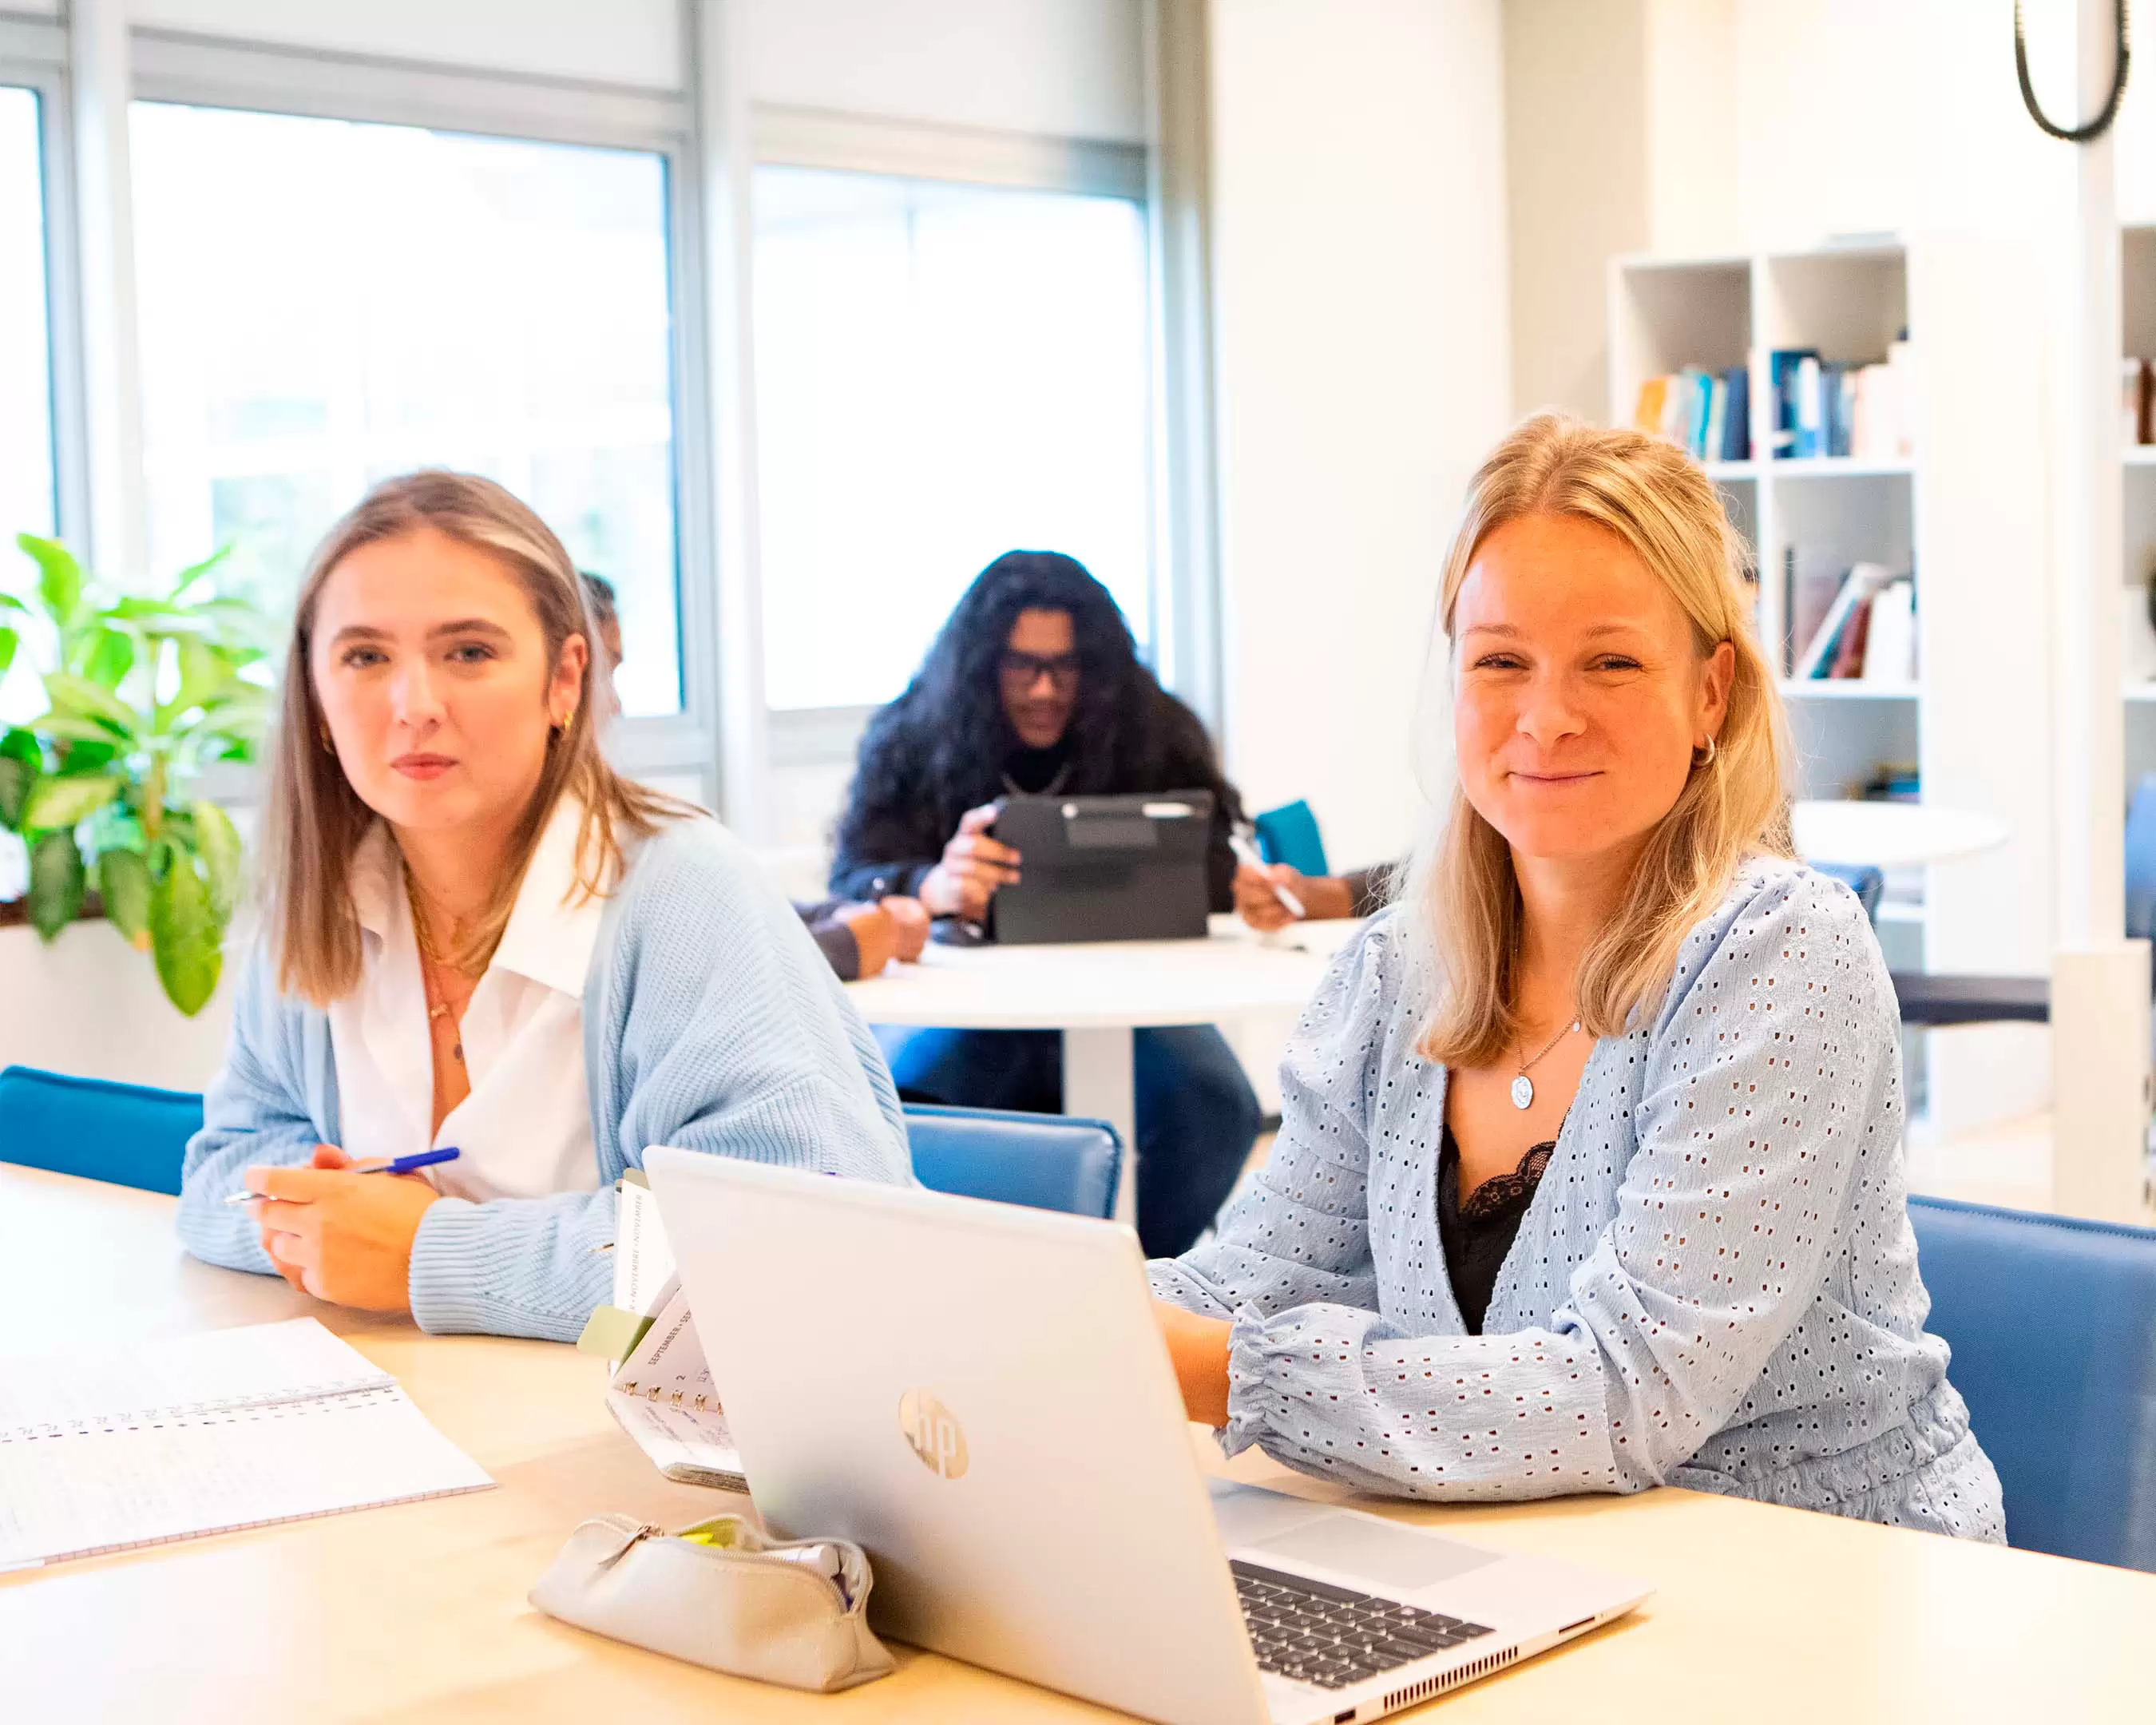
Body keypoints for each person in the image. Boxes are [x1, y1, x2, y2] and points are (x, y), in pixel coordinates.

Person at [1151, 415, 2003, 1539]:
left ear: (1711, 695)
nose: (1547, 717)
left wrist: (1231, 1373)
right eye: (1501, 660)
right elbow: (1254, 1275)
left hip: (1821, 1590)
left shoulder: (1784, 951)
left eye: (1611, 661)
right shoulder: (1390, 974)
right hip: (1529, 1566)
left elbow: (1622, 1390)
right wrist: (1062, 1315)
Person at [176, 472, 912, 1340]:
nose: (415, 707)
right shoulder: (323, 899)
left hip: (647, 1458)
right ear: (316, 695)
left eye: (469, 653)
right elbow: (222, 1175)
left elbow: (804, 1245)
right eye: (366, 657)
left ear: (565, 681)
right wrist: (335, 1226)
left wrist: (429, 1250)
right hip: (427, 1415)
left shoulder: (681, 892)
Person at [830, 549, 1261, 1257]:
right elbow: (853, 880)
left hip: (1134, 1002)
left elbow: (1212, 861)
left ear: (1097, 671)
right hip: (972, 1008)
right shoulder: (913, 737)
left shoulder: (1153, 728)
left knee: (1215, 1111)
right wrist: (932, 886)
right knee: (904, 1113)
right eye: (1020, 666)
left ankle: (1133, 1285)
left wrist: (1238, 882)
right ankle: (979, 1286)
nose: (1042, 689)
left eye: (1064, 668)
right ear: (980, 667)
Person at [577, 571, 928, 980]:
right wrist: (848, 944)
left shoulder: (612, 816)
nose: (615, 705)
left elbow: (722, 910)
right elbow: (684, 966)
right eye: (604, 674)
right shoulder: (568, 832)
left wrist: (843, 915)